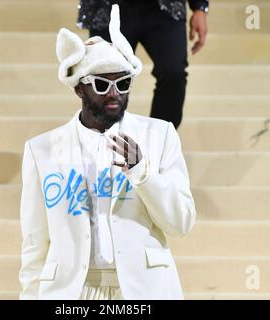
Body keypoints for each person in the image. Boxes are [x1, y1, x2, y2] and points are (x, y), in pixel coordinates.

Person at [19, 4, 196, 300]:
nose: (114, 92)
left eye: (123, 83)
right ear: (79, 89)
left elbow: (182, 223)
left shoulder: (160, 135)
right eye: (101, 84)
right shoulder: (42, 151)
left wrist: (143, 172)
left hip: (144, 290)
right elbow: (34, 244)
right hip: (72, 292)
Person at [77, 0, 209, 129]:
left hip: (165, 8)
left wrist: (200, 6)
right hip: (107, 6)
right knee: (104, 77)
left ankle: (160, 139)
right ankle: (106, 139)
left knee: (173, 71)